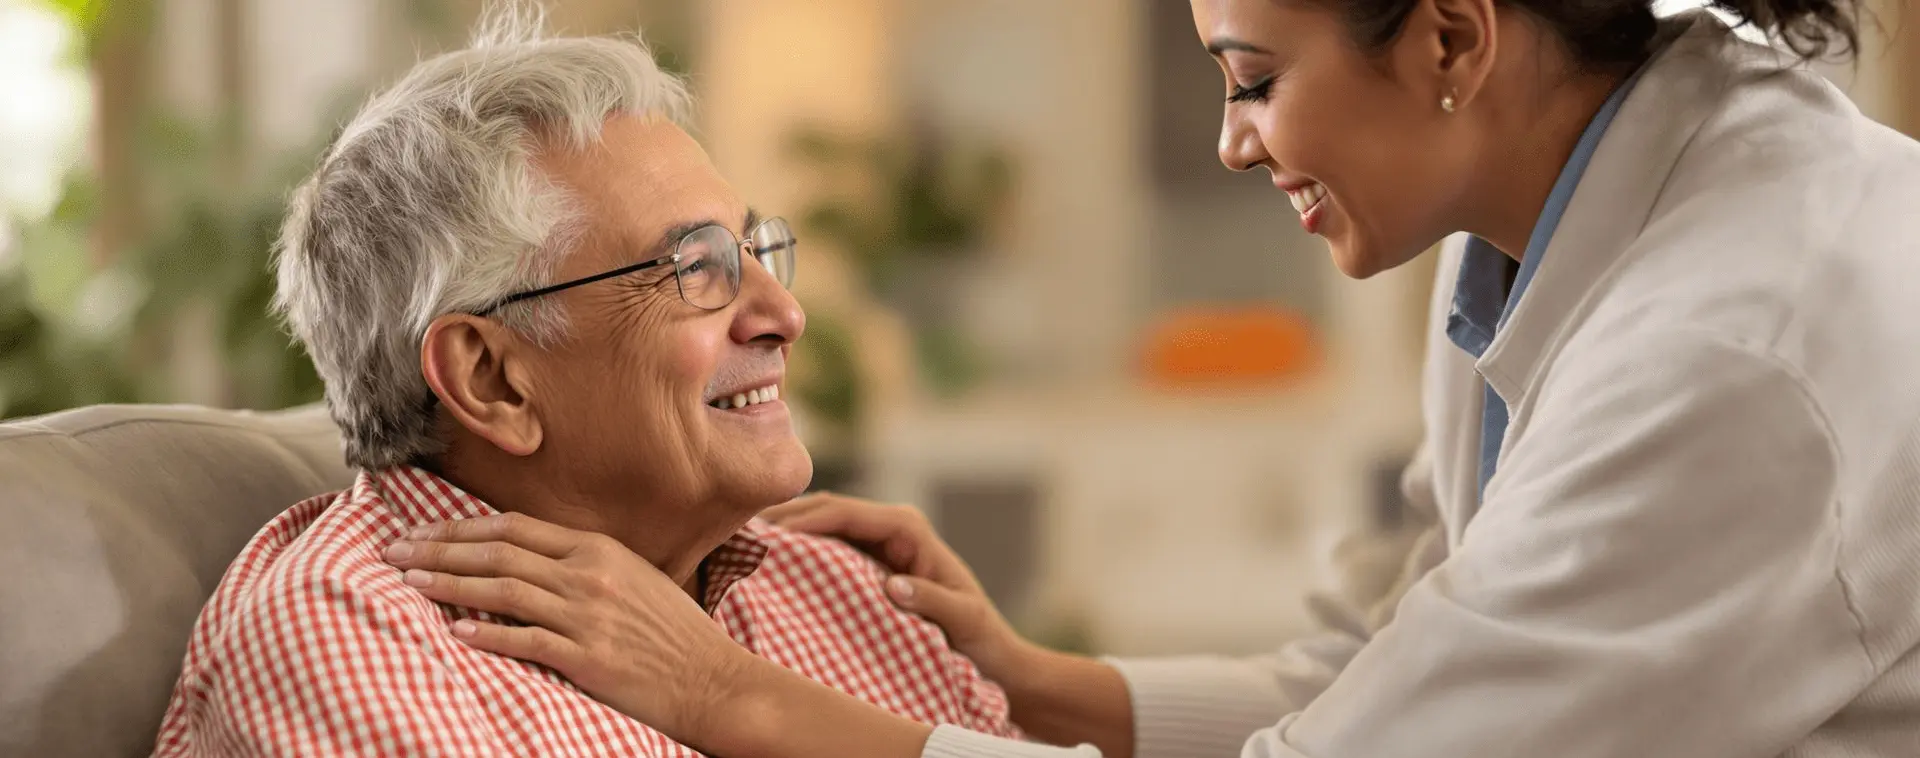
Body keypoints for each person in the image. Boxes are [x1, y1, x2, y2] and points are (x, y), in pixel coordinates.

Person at [391, 0, 1920, 756]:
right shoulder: (1526, 224)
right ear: (484, 373)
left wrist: (737, 696)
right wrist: (1047, 684)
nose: (1231, 142)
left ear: (1453, 38)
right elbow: (1379, 670)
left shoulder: (1733, 354)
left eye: (1256, 81)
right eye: (691, 267)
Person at [149, 10, 1025, 756]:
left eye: (754, 250)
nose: (783, 316)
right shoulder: (337, 639)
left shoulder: (833, 584)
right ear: (492, 379)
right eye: (696, 268)